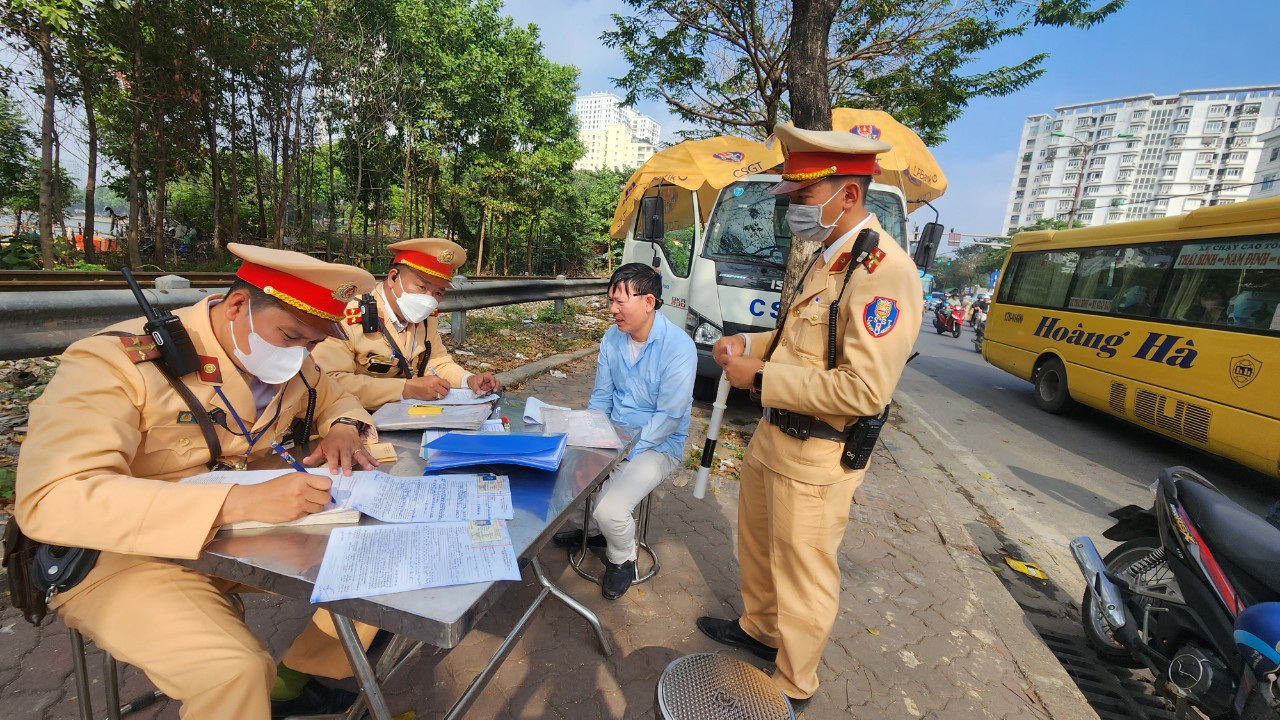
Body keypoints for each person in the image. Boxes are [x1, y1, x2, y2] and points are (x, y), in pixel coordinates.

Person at [15, 244, 386, 719]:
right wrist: (238, 501)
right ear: (237, 307)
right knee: (234, 671)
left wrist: (343, 428)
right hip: (123, 555)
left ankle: (304, 680)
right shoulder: (117, 362)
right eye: (292, 336)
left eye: (313, 344)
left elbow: (338, 396)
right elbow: (55, 496)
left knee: (380, 569)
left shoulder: (293, 361)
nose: (300, 356)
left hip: (242, 540)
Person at [696, 123, 923, 709]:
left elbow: (864, 389)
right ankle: (760, 630)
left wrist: (762, 379)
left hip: (819, 451)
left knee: (804, 575)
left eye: (802, 197)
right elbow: (807, 341)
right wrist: (750, 343)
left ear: (847, 196)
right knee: (758, 547)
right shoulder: (832, 259)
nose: (793, 209)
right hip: (777, 439)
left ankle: (794, 683)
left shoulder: (882, 271)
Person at [551, 263, 696, 600]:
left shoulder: (678, 347)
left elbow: (670, 417)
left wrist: (619, 456)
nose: (612, 309)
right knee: (565, 473)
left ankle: (623, 559)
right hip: (614, 436)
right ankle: (597, 534)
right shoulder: (612, 339)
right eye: (610, 300)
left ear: (648, 302)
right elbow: (602, 396)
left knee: (609, 509)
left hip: (658, 445)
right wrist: (589, 439)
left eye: (619, 301)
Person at [311, 238, 500, 410]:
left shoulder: (426, 319)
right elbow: (329, 381)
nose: (429, 299)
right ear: (393, 278)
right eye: (422, 287)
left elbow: (436, 361)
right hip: (353, 418)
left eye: (438, 293)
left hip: (406, 416)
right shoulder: (347, 314)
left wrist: (468, 380)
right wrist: (404, 389)